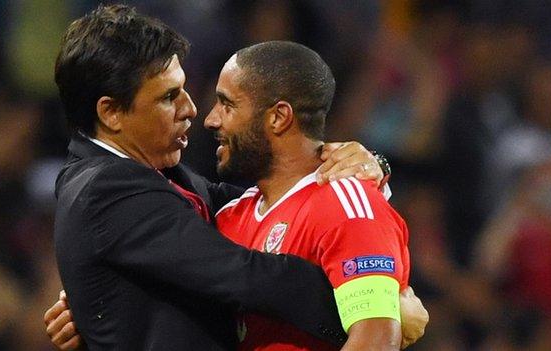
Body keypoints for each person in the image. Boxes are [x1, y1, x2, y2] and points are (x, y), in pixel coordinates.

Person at [46, 20, 428, 350]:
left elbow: (280, 201)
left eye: (185, 90)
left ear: (280, 118)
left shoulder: (172, 181)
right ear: (111, 112)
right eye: (168, 97)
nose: (194, 111)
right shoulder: (103, 189)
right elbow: (242, 274)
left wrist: (363, 164)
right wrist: (374, 309)